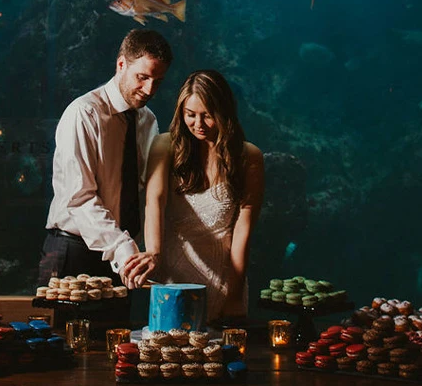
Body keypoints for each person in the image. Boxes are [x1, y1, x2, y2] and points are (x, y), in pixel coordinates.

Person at [123, 69, 264, 320]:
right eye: (190, 115)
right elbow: (154, 201)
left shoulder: (249, 157)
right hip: (172, 277)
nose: (198, 125)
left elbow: (243, 229)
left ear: (224, 113)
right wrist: (153, 252)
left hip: (223, 278)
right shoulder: (164, 146)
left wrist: (233, 294)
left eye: (207, 116)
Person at [38, 29, 173, 288]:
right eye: (142, 77)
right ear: (121, 64)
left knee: (118, 330)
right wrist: (123, 249)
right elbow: (79, 199)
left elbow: (143, 189)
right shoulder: (84, 113)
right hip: (73, 250)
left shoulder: (148, 120)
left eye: (157, 81)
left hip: (123, 255)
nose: (149, 89)